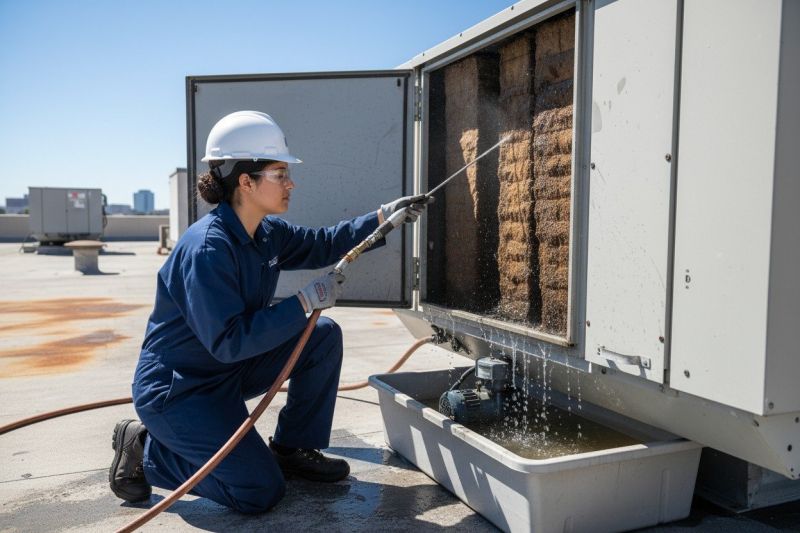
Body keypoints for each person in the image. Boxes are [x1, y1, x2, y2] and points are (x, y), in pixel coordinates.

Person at [108, 110, 429, 514]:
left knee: (322, 335)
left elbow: (323, 244)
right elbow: (229, 341)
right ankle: (145, 448)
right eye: (279, 173)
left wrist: (384, 219)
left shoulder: (265, 233)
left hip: (224, 372)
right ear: (246, 181)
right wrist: (303, 302)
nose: (290, 183)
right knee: (257, 491)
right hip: (181, 391)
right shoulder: (208, 249)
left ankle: (292, 448)